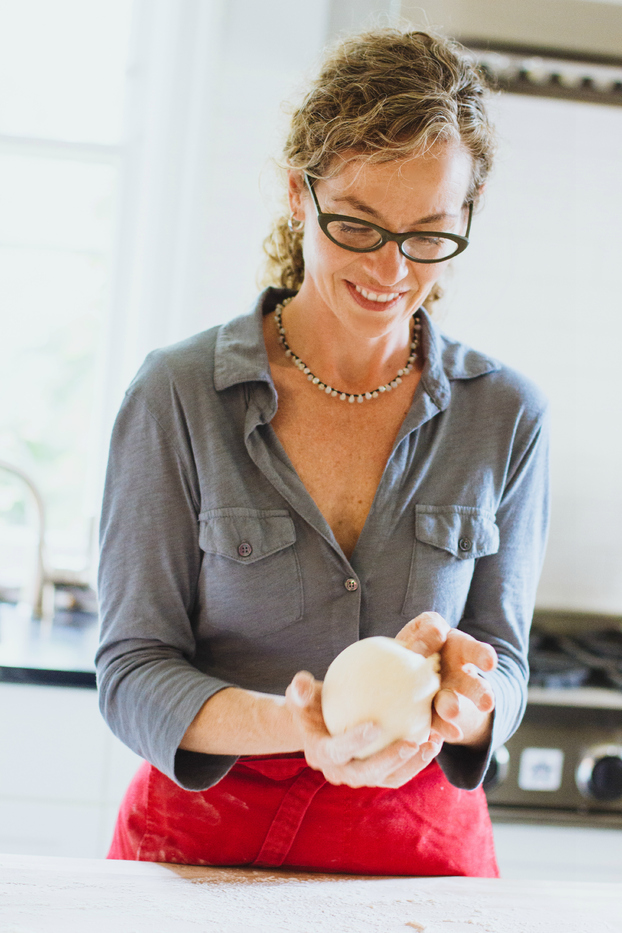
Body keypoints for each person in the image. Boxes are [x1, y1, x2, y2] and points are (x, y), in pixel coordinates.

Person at [96, 28, 549, 876]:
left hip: (418, 858)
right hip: (201, 853)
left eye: (428, 234)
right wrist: (299, 724)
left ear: (465, 218)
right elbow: (129, 670)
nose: (392, 268)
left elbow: (508, 663)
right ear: (298, 194)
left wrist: (474, 698)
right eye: (359, 224)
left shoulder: (506, 414)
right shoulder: (178, 394)